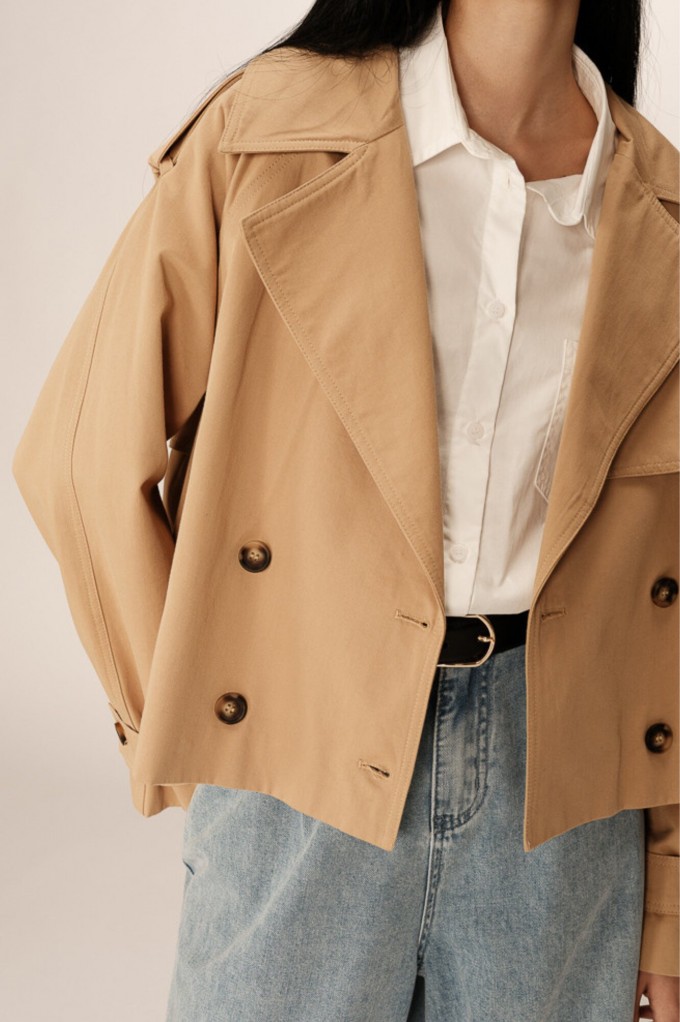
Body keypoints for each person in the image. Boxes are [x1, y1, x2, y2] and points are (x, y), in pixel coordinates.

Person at [12, 0, 679, 1018]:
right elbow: (78, 459)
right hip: (304, 763)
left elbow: (662, 605)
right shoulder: (269, 133)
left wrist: (667, 901)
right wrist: (211, 728)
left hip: (569, 814)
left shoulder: (657, 202)